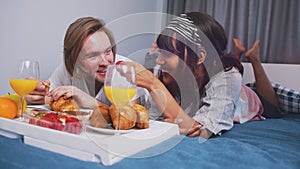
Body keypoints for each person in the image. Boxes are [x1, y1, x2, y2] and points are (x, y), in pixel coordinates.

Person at [125, 12, 283, 139]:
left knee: (273, 109)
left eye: (169, 53)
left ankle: (254, 58)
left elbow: (203, 130)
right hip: (205, 77)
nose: (159, 61)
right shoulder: (168, 76)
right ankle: (236, 54)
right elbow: (154, 119)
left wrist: (154, 85)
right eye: (160, 52)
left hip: (247, 99)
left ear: (200, 56)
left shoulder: (228, 77)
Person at [26, 16, 144, 109]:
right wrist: (33, 94)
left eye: (108, 51)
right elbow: (49, 97)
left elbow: (129, 117)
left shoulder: (124, 70)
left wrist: (89, 101)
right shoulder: (67, 70)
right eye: (93, 55)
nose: (105, 62)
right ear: (74, 60)